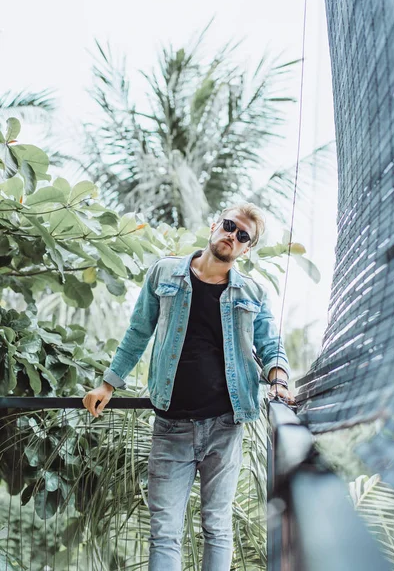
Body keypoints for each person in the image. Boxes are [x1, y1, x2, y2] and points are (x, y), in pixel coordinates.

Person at [82, 202, 295, 570]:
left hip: (226, 425)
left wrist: (279, 378)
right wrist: (108, 385)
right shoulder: (164, 272)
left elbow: (270, 345)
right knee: (164, 532)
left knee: (217, 527)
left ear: (247, 248)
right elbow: (138, 331)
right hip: (171, 425)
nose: (233, 235)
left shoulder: (253, 293)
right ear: (215, 224)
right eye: (230, 225)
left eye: (243, 235)